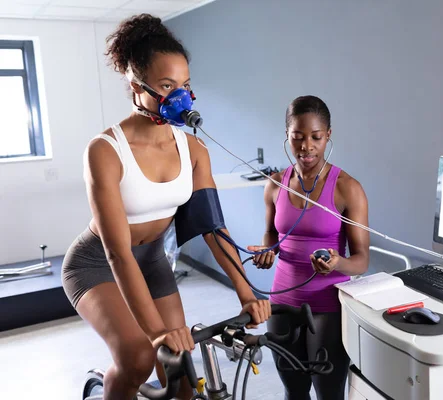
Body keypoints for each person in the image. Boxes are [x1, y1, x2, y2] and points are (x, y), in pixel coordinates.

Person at [61, 14, 270, 399]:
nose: (181, 98)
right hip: (96, 265)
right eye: (166, 86)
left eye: (186, 86)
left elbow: (213, 228)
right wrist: (157, 332)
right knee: (140, 358)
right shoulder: (105, 151)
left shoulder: (193, 149)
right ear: (135, 84)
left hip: (153, 260)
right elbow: (116, 252)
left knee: (182, 375)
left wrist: (247, 291)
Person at [248, 95, 370, 400]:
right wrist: (267, 253)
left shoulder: (347, 188)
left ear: (328, 136)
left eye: (316, 137)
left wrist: (337, 264)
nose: (306, 147)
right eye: (298, 137)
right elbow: (270, 235)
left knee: (328, 393)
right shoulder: (275, 184)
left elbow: (362, 260)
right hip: (282, 302)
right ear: (287, 136)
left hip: (327, 307)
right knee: (294, 390)